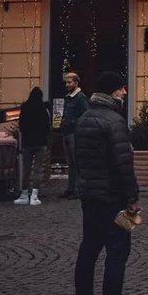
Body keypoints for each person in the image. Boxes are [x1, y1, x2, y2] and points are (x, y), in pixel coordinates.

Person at [73, 70, 141, 295]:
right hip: (112, 198)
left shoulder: (84, 120)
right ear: (113, 91)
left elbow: (79, 161)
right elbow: (123, 164)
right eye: (122, 88)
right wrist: (132, 198)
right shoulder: (114, 121)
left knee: (88, 249)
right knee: (117, 249)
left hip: (89, 196)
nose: (125, 92)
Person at [14, 86, 50, 206]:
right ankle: (34, 195)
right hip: (40, 142)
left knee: (26, 169)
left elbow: (21, 125)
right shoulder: (43, 108)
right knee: (37, 169)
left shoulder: (25, 107)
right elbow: (47, 126)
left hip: (27, 143)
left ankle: (24, 194)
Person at [59, 70, 89, 200]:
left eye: (69, 82)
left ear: (76, 82)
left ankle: (77, 189)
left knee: (76, 162)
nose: (67, 84)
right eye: (66, 82)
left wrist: (74, 123)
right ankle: (70, 188)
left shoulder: (81, 97)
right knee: (70, 162)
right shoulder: (68, 97)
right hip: (66, 132)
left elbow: (85, 115)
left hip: (75, 133)